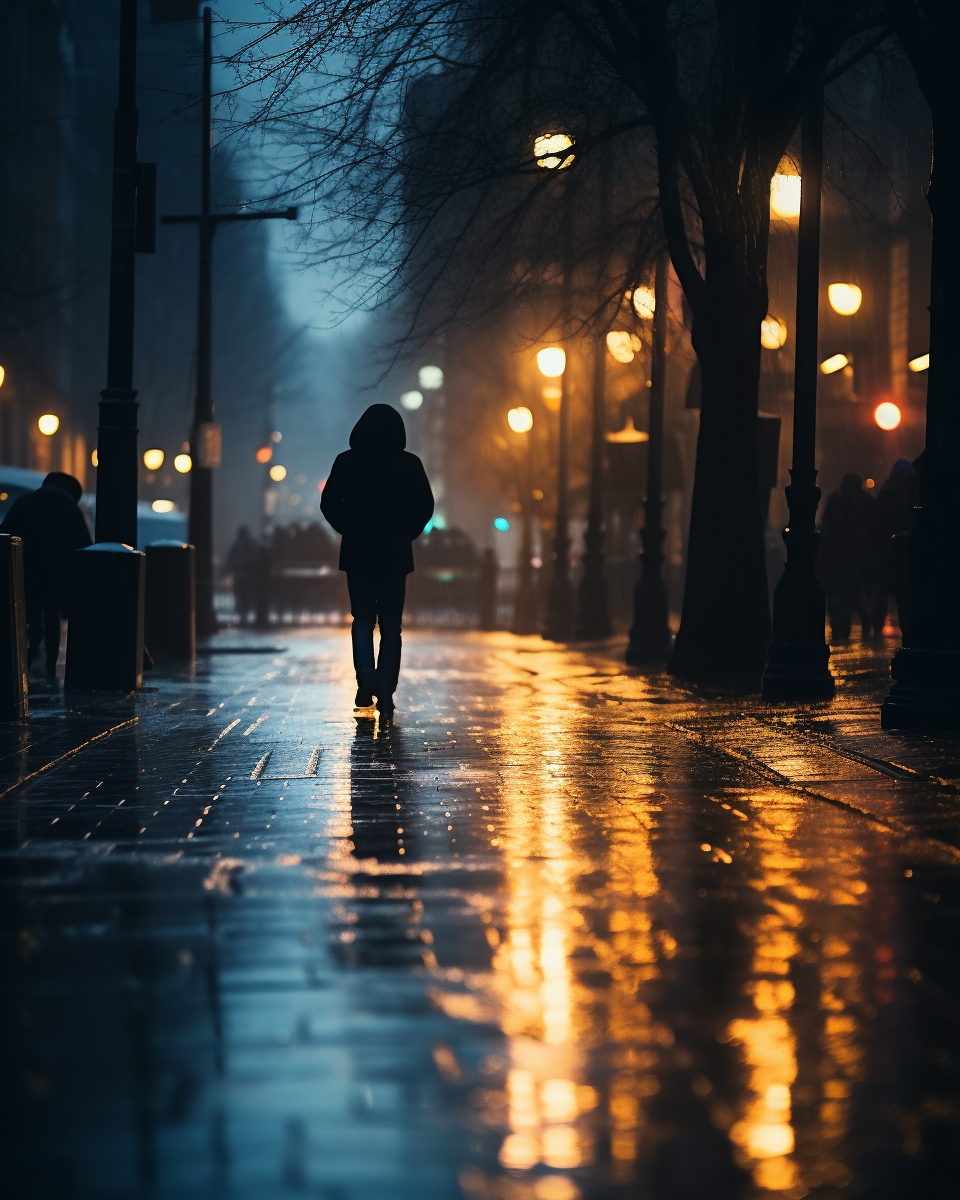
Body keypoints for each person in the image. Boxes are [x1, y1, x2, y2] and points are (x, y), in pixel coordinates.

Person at [320, 404, 433, 715]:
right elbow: (424, 506)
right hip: (395, 554)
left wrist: (349, 529)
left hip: (358, 553)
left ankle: (365, 681)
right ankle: (387, 688)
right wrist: (405, 532)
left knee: (363, 620)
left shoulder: (347, 462)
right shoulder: (409, 464)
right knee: (391, 627)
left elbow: (329, 503)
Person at [0, 472, 92, 681]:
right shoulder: (70, 510)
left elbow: (5, 534)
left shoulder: (25, 503)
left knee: (26, 617)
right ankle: (50, 666)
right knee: (52, 617)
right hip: (57, 575)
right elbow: (85, 547)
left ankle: (23, 662)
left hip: (24, 570)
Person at [819, 472, 879, 641]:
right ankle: (849, 626)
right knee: (851, 596)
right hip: (849, 559)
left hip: (852, 559)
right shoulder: (857, 502)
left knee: (852, 595)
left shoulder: (851, 502)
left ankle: (848, 626)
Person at [226, 525, 259, 625]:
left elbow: (230, 559)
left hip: (239, 575)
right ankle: (244, 614)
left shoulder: (236, 545)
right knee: (245, 596)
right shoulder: (251, 544)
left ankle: (242, 615)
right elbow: (255, 558)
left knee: (241, 595)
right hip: (248, 576)